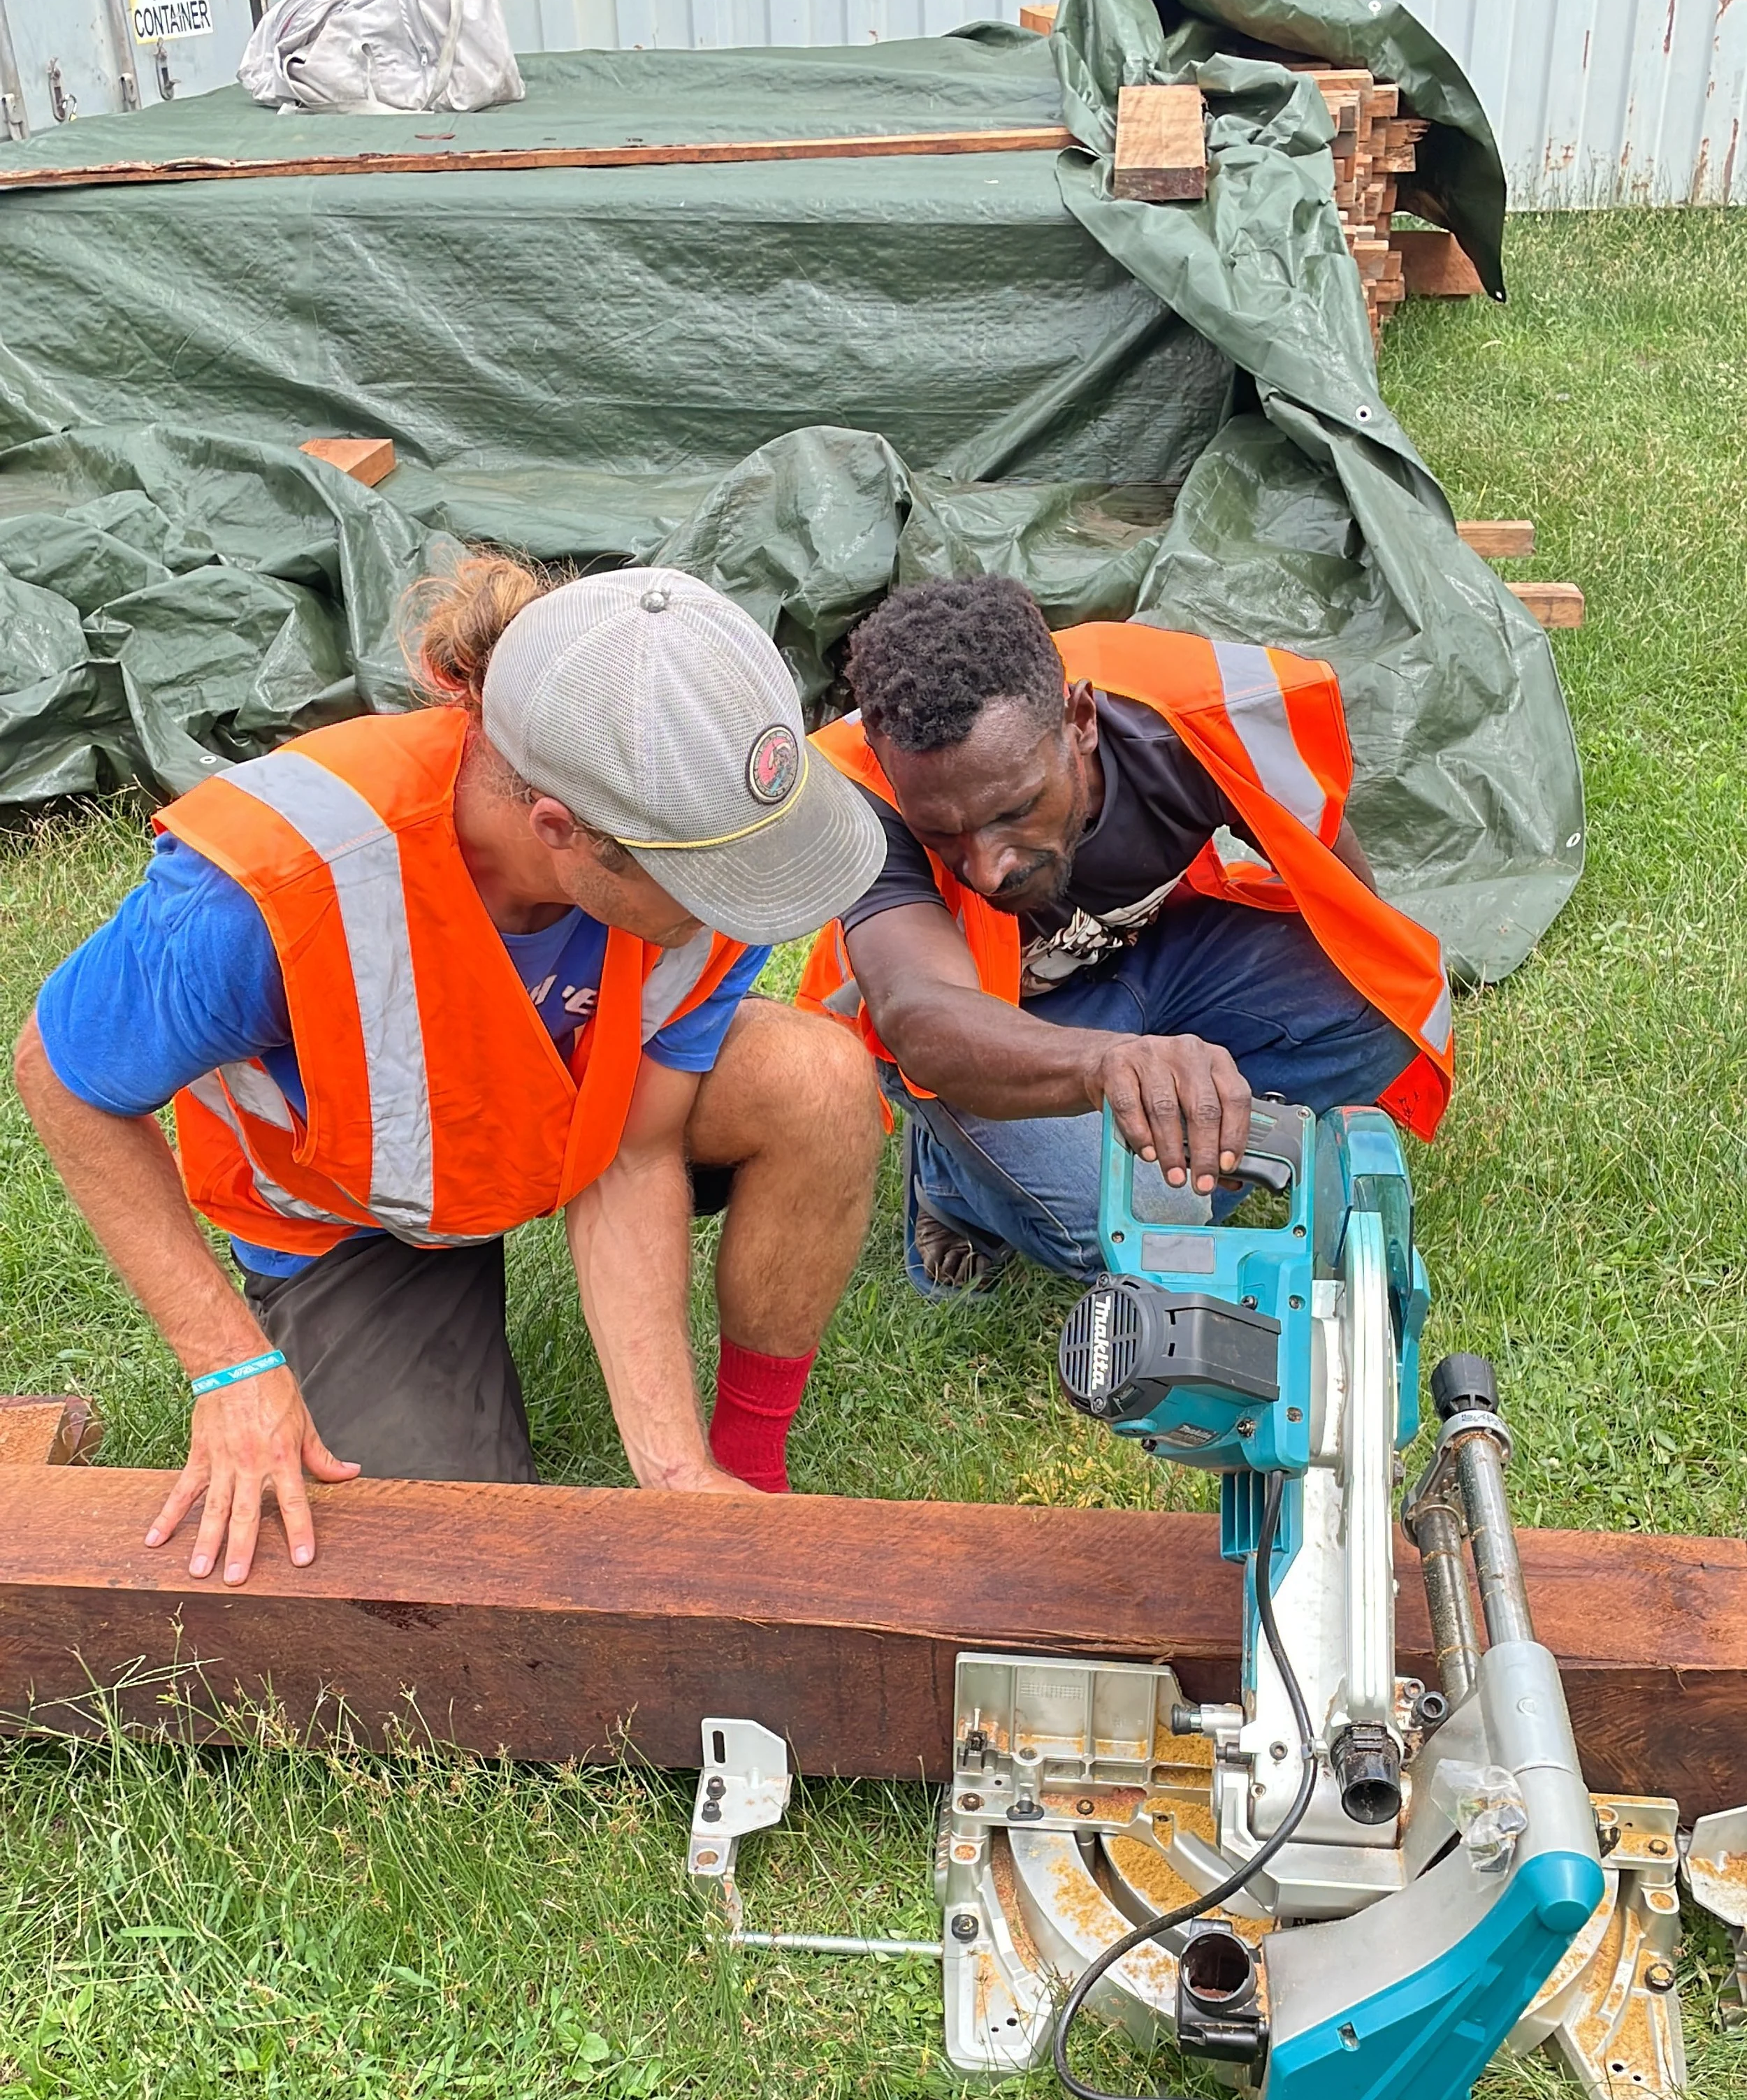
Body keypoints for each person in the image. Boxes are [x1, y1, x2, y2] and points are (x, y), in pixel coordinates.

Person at [15, 557, 887, 1580]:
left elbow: (638, 1149)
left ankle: (752, 1471)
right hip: (359, 1215)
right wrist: (230, 1366)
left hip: (561, 1124)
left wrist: (678, 1476)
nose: (744, 912)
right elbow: (59, 1074)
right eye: (707, 883)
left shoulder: (695, 853)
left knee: (821, 1080)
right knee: (447, 1560)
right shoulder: (274, 887)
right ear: (560, 831)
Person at [799, 576, 1454, 1293]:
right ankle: (952, 1180)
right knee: (1116, 1223)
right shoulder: (863, 794)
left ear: (1079, 721)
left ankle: (1175, 1140)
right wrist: (1107, 1065)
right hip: (984, 1037)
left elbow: (1350, 906)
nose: (987, 870)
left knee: (1380, 999)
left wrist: (1167, 1081)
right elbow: (920, 1014)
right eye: (941, 832)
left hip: (1152, 960)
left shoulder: (1195, 717)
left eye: (1014, 810)